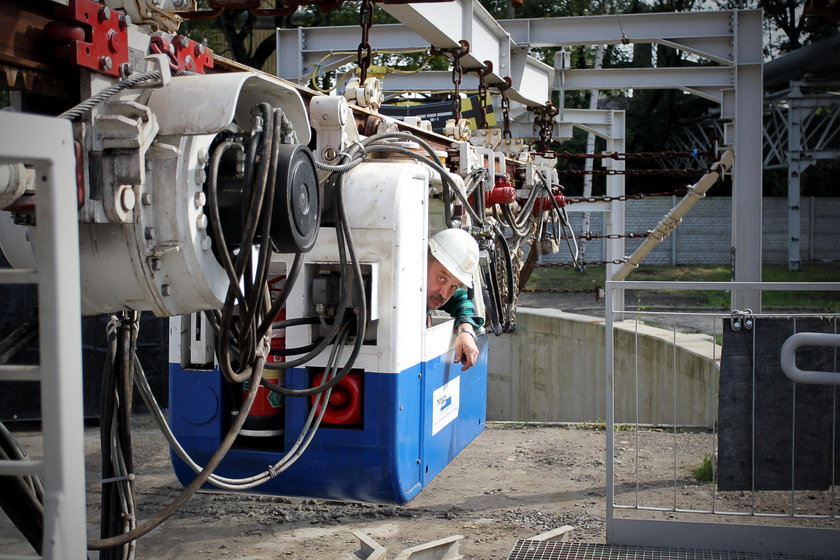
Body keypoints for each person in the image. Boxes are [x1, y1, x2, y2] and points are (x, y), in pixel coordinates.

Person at [426, 228, 483, 372]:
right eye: (442, 278)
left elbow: (461, 298)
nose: (444, 294)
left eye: (454, 286)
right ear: (423, 262)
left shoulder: (432, 294)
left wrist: (466, 329)